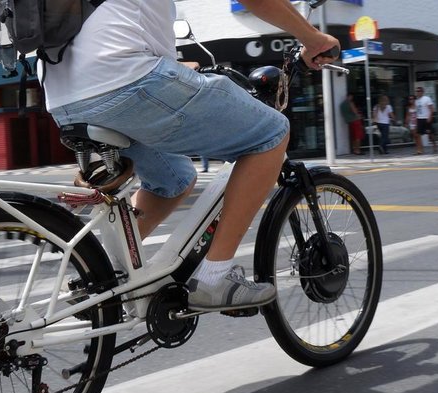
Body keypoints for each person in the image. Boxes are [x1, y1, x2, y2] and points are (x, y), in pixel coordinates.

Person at [42, 0, 340, 311]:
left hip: (63, 99)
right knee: (271, 133)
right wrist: (313, 38)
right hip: (125, 81)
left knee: (173, 180)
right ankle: (214, 278)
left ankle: (102, 274)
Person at [414, 86, 438, 154]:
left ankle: (434, 146)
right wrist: (416, 120)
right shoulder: (416, 101)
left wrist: (430, 117)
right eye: (417, 91)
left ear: (422, 92)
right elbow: (416, 111)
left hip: (426, 118)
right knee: (418, 134)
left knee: (430, 134)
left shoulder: (427, 99)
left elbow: (431, 109)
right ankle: (420, 150)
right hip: (419, 119)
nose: (417, 92)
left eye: (419, 91)